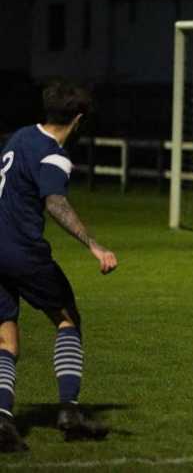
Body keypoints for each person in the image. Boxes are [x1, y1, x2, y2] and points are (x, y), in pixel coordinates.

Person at [0, 79, 117, 452]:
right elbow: (55, 203)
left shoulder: (19, 137)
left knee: (6, 337)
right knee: (68, 318)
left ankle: (2, 421)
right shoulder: (55, 154)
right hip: (22, 251)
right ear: (79, 120)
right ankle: (69, 411)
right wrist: (94, 246)